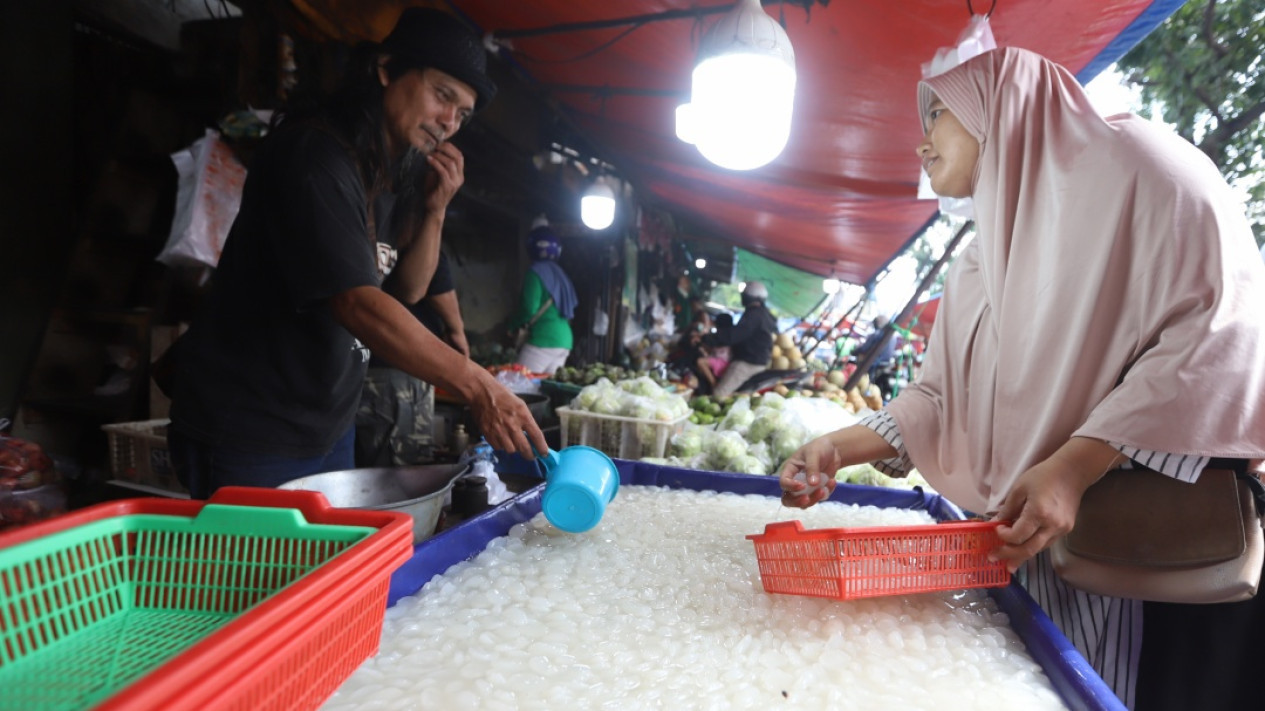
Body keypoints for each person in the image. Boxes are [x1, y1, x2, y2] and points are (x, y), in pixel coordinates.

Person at [779, 47, 1265, 710]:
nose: (921, 142)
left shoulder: (1141, 169)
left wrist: (1073, 466)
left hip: (1134, 551)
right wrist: (840, 445)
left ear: (1000, 108)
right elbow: (939, 396)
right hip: (1013, 551)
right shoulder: (980, 260)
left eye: (939, 112)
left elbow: (1222, 326)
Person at [168, 8, 546, 498]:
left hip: (327, 424)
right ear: (387, 69)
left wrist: (435, 211)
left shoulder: (391, 173)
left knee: (325, 572)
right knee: (263, 575)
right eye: (442, 95)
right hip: (254, 424)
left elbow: (407, 290)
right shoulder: (315, 156)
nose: (449, 122)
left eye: (462, 113)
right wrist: (477, 385)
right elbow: (355, 301)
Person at [355, 250, 468, 467]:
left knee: (368, 465)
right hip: (402, 372)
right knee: (401, 470)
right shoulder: (419, 232)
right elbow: (423, 291)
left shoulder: (369, 234)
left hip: (361, 364)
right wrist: (457, 330)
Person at [510, 222, 577, 376]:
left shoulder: (534, 273)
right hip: (564, 341)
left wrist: (512, 325)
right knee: (544, 389)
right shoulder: (561, 274)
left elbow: (529, 308)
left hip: (543, 339)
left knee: (518, 385)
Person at [706, 281, 777, 398]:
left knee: (718, 395)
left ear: (748, 297)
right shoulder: (766, 314)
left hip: (747, 363)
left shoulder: (754, 315)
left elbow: (734, 335)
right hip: (760, 361)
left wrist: (708, 339)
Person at [695, 313, 733, 394]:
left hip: (723, 362)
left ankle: (714, 384)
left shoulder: (724, 335)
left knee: (700, 362)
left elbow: (709, 341)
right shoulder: (723, 334)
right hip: (717, 360)